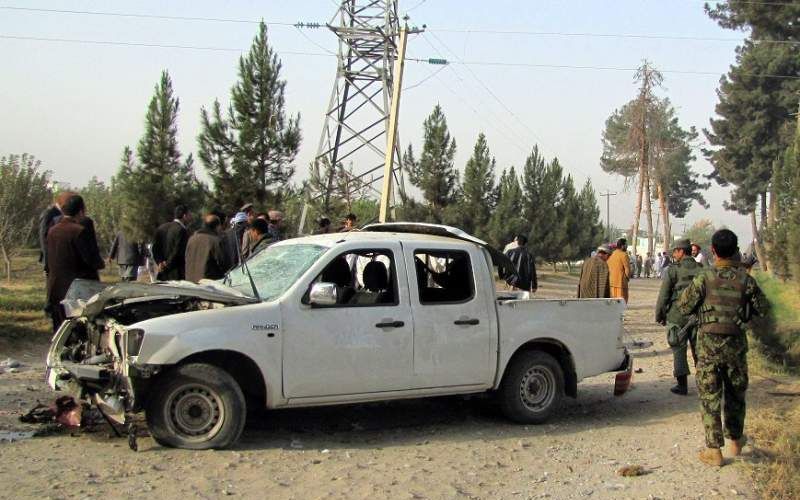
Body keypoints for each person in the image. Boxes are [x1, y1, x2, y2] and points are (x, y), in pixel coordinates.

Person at [677, 229, 769, 467]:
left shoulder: (704, 278)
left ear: (714, 251)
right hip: (736, 346)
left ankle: (714, 451)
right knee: (736, 395)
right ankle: (736, 441)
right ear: (736, 251)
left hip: (708, 348)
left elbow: (684, 306)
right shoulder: (746, 280)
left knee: (710, 397)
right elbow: (764, 309)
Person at [45, 195, 104, 332]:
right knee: (79, 331)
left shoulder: (53, 231)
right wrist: (100, 264)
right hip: (76, 290)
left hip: (55, 288)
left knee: (60, 331)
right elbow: (90, 260)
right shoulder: (79, 231)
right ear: (81, 211)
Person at [655, 239, 704, 395]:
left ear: (682, 252)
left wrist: (660, 315)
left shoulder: (673, 270)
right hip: (698, 316)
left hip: (677, 316)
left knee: (678, 350)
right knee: (700, 351)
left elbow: (664, 296)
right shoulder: (702, 269)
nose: (673, 254)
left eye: (675, 251)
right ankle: (704, 385)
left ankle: (682, 386)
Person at [152, 205, 192, 281]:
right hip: (176, 272)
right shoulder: (181, 230)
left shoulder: (161, 228)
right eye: (189, 214)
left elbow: (154, 248)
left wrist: (160, 262)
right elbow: (178, 251)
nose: (191, 217)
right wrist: (167, 264)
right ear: (184, 216)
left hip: (162, 272)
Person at [185, 214, 228, 283]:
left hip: (190, 283)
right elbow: (223, 263)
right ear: (217, 227)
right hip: (208, 285)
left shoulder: (191, 239)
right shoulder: (215, 241)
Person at [607, 238, 632, 302]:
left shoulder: (612, 254)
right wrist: (627, 278)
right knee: (621, 301)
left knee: (613, 301)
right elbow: (627, 268)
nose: (627, 246)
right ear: (622, 246)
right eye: (626, 245)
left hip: (611, 282)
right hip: (620, 283)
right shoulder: (624, 255)